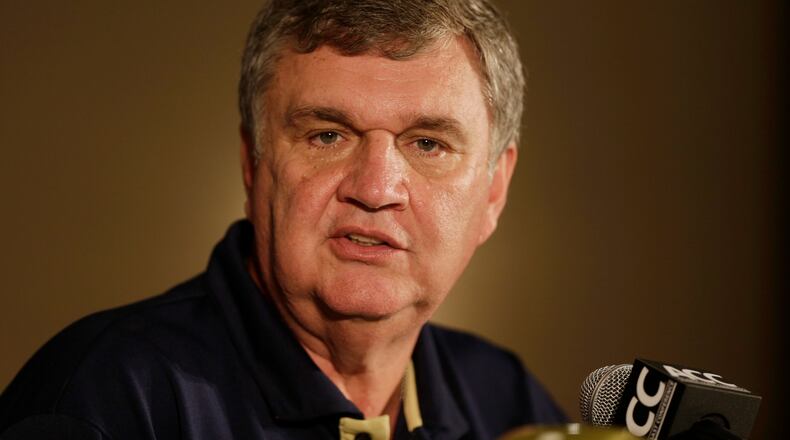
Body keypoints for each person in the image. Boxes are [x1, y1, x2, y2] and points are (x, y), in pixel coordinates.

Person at [0, 0, 566, 438]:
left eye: (427, 143)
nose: (375, 189)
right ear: (252, 164)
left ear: (494, 190)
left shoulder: (511, 405)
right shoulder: (105, 403)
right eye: (327, 135)